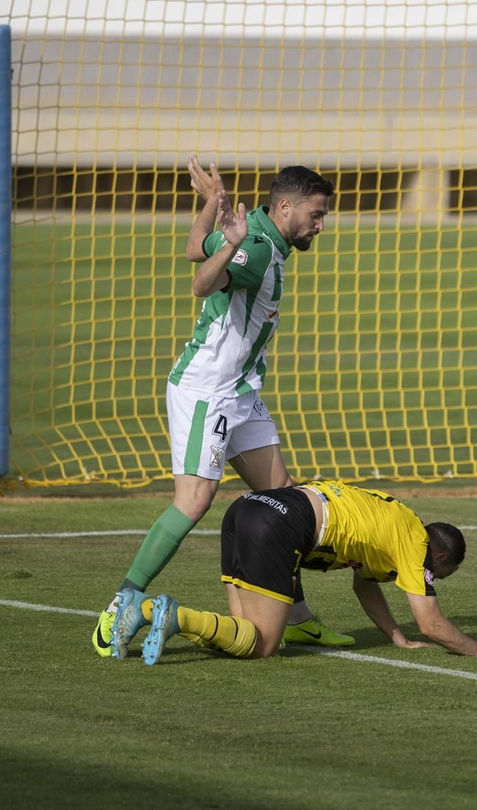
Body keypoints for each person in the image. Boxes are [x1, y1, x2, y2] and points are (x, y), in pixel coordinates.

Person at [91, 158, 351, 655]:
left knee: (283, 501)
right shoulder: (252, 248)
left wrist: (212, 204)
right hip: (207, 390)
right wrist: (230, 243)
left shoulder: (256, 230)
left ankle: (295, 618)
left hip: (243, 391)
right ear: (287, 207)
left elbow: (193, 247)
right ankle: (119, 603)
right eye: (316, 215)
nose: (322, 225)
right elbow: (202, 282)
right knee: (194, 500)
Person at [111, 479, 477, 664]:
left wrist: (396, 637)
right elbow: (433, 623)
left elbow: (365, 586)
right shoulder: (417, 546)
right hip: (284, 524)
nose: (435, 581)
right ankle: (169, 613)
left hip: (248, 507)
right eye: (445, 575)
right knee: (263, 647)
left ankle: (155, 616)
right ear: (442, 560)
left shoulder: (396, 525)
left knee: (239, 636)